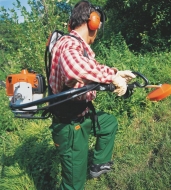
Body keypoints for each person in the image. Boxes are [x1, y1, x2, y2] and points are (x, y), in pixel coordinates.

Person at [49, 0, 136, 189]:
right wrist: (110, 78)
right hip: (70, 126)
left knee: (109, 123)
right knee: (74, 184)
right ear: (93, 22)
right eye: (98, 26)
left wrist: (116, 73)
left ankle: (98, 165)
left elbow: (93, 67)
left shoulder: (76, 47)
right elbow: (74, 69)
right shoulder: (68, 44)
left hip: (83, 113)